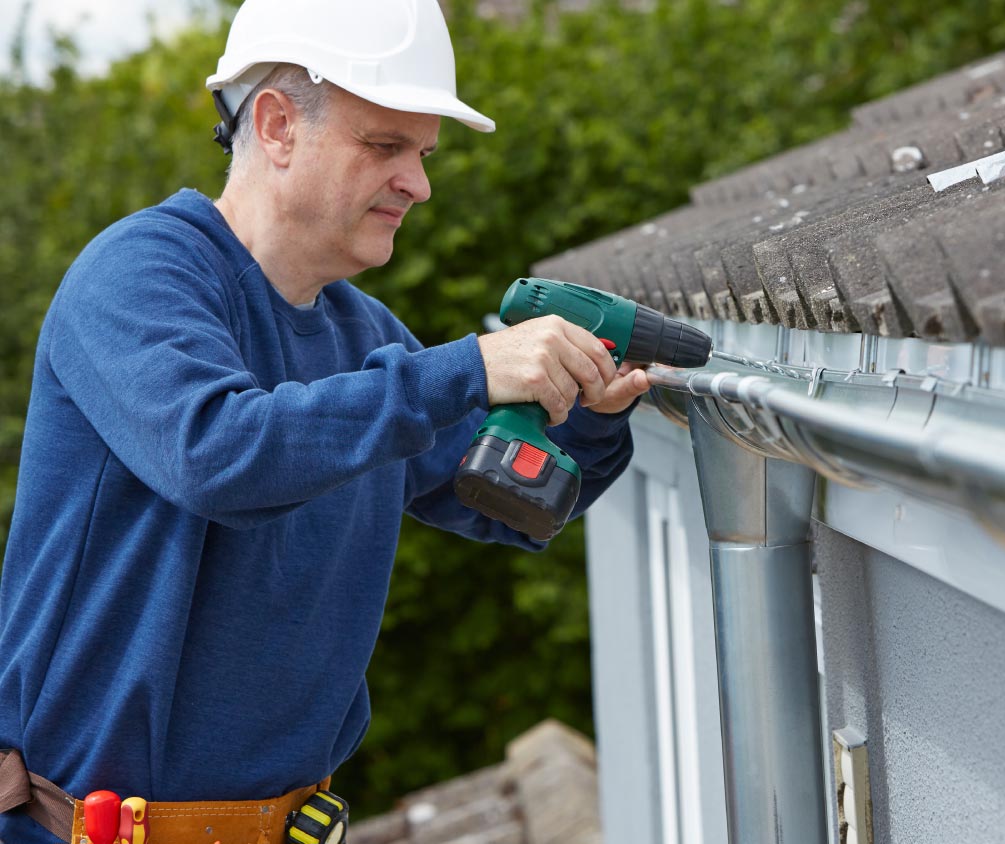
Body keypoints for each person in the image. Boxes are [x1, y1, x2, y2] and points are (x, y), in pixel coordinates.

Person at [0, 1, 649, 841]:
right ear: (275, 125)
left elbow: (515, 506)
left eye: (422, 153)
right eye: (385, 146)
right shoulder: (137, 275)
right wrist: (468, 369)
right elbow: (218, 454)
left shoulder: (365, 337)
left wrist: (591, 415)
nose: (418, 182)